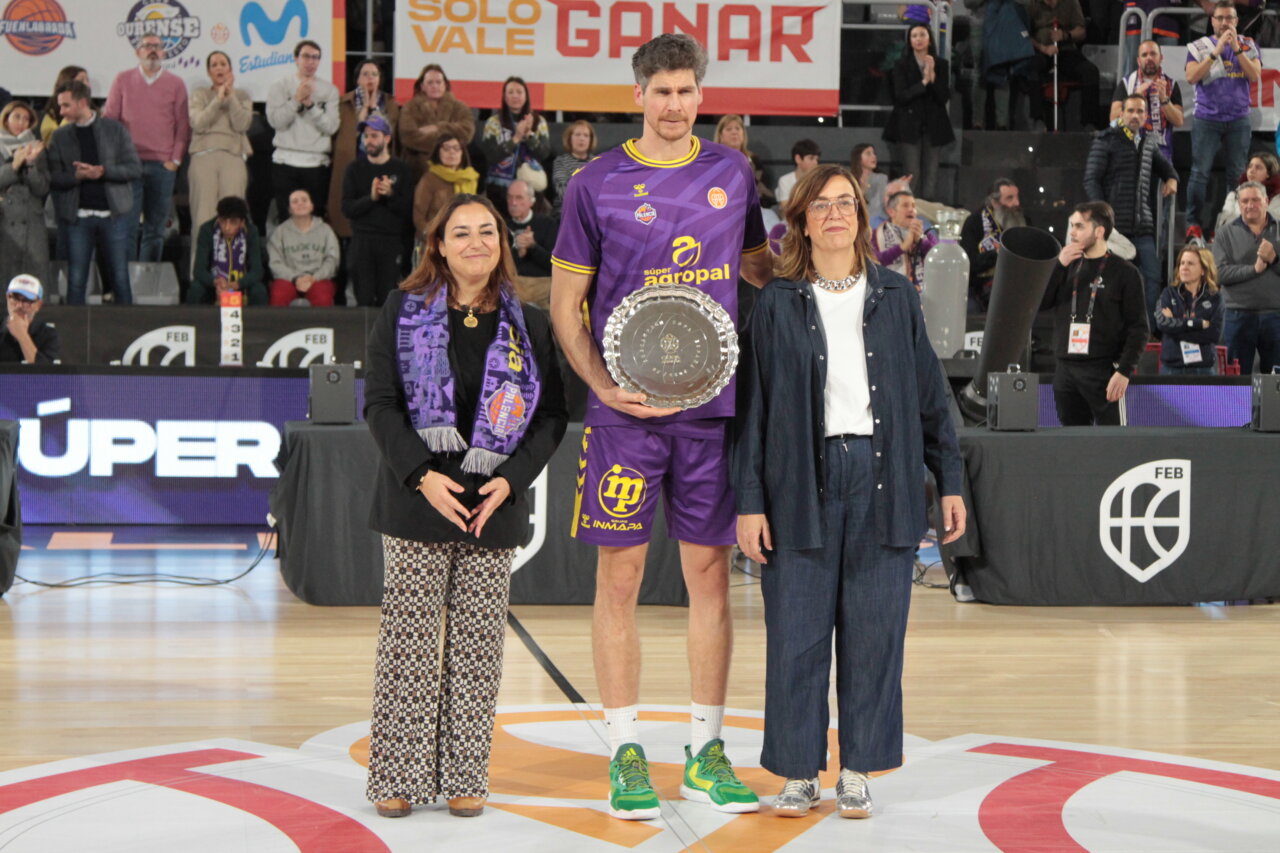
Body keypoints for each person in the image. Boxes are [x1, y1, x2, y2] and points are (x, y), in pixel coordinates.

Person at [550, 33, 773, 821]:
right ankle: (625, 751)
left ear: (700, 95)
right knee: (620, 579)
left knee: (711, 579)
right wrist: (607, 386)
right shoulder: (594, 183)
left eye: (687, 91)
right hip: (624, 416)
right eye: (662, 91)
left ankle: (707, 751)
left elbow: (757, 272)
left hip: (712, 412)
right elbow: (563, 307)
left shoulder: (733, 172)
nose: (675, 105)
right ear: (636, 95)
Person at [731, 163, 965, 820]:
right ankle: (799, 770)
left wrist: (950, 479)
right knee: (797, 633)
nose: (836, 214)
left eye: (847, 203)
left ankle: (858, 767)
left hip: (882, 477)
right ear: (801, 220)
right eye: (823, 205)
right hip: (798, 481)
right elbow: (755, 412)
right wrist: (749, 498)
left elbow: (930, 399)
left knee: (872, 633)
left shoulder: (895, 295)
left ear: (862, 217)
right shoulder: (776, 302)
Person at [363, 192, 566, 820]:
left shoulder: (529, 325)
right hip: (418, 499)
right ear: (439, 246)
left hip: (492, 503)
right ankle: (396, 776)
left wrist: (512, 481)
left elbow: (554, 415)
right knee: (411, 643)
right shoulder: (402, 310)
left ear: (502, 243)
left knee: (478, 647)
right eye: (462, 233)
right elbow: (379, 404)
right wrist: (422, 475)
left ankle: (465, 775)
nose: (476, 242)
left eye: (488, 231)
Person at [1041, 202, 1148, 426]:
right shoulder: (1065, 266)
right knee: (1071, 441)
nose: (1072, 232)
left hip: (1103, 370)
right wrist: (1058, 266)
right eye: (1071, 225)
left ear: (1099, 231)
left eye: (1079, 226)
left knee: (1111, 443)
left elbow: (1139, 329)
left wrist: (1124, 371)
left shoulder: (1126, 273)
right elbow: (1040, 304)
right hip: (1065, 369)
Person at [1083, 95, 1179, 319]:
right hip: (1114, 228)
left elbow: (1167, 168)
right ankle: (1113, 329)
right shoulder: (1106, 140)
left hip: (1142, 226)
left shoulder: (1147, 142)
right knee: (1111, 281)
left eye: (1140, 112)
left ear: (1146, 116)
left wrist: (1172, 179)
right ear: (1121, 114)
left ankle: (1146, 330)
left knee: (1153, 276)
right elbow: (1091, 180)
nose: (1135, 116)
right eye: (1131, 111)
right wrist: (1103, 218)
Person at [47, 80, 141, 305]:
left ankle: (128, 331)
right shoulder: (60, 137)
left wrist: (103, 171)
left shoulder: (114, 130)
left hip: (113, 216)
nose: (61, 111)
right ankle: (74, 334)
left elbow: (134, 168)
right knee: (77, 280)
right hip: (77, 218)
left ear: (82, 103)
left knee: (120, 278)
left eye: (66, 105)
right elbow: (53, 177)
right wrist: (75, 176)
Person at [104, 32, 190, 263]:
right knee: (127, 230)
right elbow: (110, 121)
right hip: (129, 165)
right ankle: (126, 288)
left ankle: (147, 286)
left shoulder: (176, 84)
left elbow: (183, 125)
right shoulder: (122, 80)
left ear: (164, 52)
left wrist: (176, 161)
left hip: (163, 166)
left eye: (157, 46)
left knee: (155, 231)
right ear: (137, 52)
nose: (152, 50)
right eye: (147, 46)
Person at [1184, 1, 1261, 244]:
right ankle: (1193, 224)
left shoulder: (1248, 45)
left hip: (1238, 119)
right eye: (1220, 18)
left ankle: (1228, 223)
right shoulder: (1199, 46)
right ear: (1212, 21)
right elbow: (1192, 77)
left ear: (1237, 21)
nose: (1224, 22)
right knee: (1199, 173)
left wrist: (1236, 49)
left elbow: (1255, 76)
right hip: (1207, 119)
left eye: (1229, 18)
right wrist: (1216, 52)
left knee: (1237, 175)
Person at [342, 115, 413, 307]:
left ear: (387, 138)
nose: (369, 141)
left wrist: (390, 194)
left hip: (391, 242)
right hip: (362, 241)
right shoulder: (354, 169)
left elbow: (408, 210)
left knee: (388, 300)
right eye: (366, 136)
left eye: (374, 136)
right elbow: (347, 209)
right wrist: (371, 199)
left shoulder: (401, 170)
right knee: (363, 299)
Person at [266, 40, 340, 223]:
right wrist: (295, 101)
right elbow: (276, 122)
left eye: (316, 58)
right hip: (285, 161)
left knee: (314, 220)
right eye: (306, 56)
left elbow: (331, 127)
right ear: (296, 58)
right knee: (286, 219)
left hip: (316, 164)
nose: (311, 61)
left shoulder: (329, 90)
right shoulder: (280, 85)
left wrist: (311, 106)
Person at [328, 59, 401, 241]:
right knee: (350, 210)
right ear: (357, 79)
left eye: (374, 74)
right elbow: (340, 133)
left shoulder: (389, 103)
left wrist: (373, 109)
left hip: (380, 165)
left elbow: (389, 132)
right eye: (365, 74)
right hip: (351, 164)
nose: (370, 78)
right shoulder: (343, 102)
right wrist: (362, 113)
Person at [1212, 181, 1280, 373]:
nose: (1250, 205)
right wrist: (1254, 269)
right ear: (1239, 204)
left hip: (1276, 315)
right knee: (1236, 383)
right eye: (1245, 201)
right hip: (1237, 316)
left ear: (1266, 201)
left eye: (1256, 200)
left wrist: (1274, 259)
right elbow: (1219, 274)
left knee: (1276, 384)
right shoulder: (1225, 233)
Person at [188, 51, 253, 247]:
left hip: (233, 156)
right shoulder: (200, 94)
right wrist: (218, 98)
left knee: (232, 217)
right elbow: (198, 123)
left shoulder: (242, 95)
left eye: (223, 64)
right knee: (203, 218)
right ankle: (198, 275)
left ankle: (232, 272)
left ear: (230, 70)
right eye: (214, 65)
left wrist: (230, 96)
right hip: (203, 156)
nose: (219, 68)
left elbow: (242, 124)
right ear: (209, 72)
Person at [884, 24, 955, 201]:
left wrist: (933, 78)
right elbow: (901, 96)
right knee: (912, 172)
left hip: (934, 125)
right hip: (909, 126)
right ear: (909, 40)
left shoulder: (941, 64)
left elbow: (943, 97)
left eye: (922, 35)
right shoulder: (901, 65)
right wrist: (923, 83)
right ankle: (906, 212)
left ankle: (926, 221)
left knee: (931, 175)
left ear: (929, 39)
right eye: (914, 36)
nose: (918, 39)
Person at [1027, 0, 1101, 130]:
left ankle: (1089, 124)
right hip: (1041, 50)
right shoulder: (1032, 4)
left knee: (1090, 71)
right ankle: (1037, 119)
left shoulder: (1071, 2)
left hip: (1066, 50)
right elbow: (1025, 34)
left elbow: (1081, 31)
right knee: (1031, 68)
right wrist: (1043, 48)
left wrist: (1065, 35)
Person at [0, 101, 51, 290]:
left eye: (26, 119)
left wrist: (30, 165)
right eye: (17, 117)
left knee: (32, 279)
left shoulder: (37, 149)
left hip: (31, 223)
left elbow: (42, 188)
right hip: (4, 220)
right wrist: (13, 166)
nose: (21, 122)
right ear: (6, 119)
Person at [480, 77, 550, 214]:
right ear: (504, 96)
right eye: (510, 92)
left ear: (526, 96)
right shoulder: (493, 122)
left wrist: (529, 135)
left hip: (530, 186)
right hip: (499, 187)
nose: (515, 96)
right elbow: (491, 156)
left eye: (519, 92)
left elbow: (544, 153)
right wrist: (516, 138)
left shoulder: (538, 121)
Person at [398, 64, 474, 186]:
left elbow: (466, 133)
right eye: (430, 82)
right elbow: (409, 137)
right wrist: (449, 141)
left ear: (445, 85)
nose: (435, 86)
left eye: (439, 82)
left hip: (454, 173)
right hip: (418, 173)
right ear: (422, 86)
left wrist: (439, 127)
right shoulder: (410, 107)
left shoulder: (460, 107)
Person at [1110, 39, 1184, 165]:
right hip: (1131, 150)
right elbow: (1113, 119)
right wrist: (1136, 96)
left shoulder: (1171, 84)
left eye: (1153, 54)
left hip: (1162, 153)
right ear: (1138, 60)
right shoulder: (1127, 83)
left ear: (1161, 58)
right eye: (1144, 55)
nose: (1149, 58)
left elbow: (1179, 121)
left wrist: (1164, 100)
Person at [1155, 246, 1224, 374]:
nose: (1184, 267)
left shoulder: (1215, 297)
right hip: (1171, 368)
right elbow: (1162, 324)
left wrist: (1175, 328)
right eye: (1182, 263)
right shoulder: (1168, 294)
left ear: (1203, 270)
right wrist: (1196, 324)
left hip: (1203, 369)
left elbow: (1214, 334)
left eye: (1190, 263)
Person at [960, 178, 1026, 311]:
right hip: (981, 286)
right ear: (995, 202)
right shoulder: (974, 222)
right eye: (1009, 198)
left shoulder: (1024, 220)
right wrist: (997, 254)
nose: (1016, 203)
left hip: (1016, 284)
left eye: (1017, 197)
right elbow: (968, 263)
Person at [187, 196, 266, 305]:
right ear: (219, 219)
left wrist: (236, 284)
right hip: (214, 284)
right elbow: (199, 270)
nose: (227, 227)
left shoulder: (251, 232)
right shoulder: (207, 230)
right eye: (223, 221)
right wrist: (215, 282)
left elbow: (257, 271)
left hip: (242, 284)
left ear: (242, 222)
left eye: (233, 222)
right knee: (196, 289)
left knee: (259, 291)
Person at [267, 189, 340, 306]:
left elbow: (332, 260)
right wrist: (295, 278)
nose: (300, 203)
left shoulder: (326, 230)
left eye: (304, 200)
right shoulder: (280, 232)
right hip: (289, 278)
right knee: (278, 295)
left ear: (311, 206)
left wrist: (314, 278)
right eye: (295, 201)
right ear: (290, 209)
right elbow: (275, 263)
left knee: (323, 297)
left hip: (318, 278)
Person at [413, 134, 479, 239]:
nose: (452, 152)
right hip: (435, 239)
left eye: (456, 148)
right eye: (446, 148)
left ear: (463, 153)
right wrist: (434, 237)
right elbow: (419, 216)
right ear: (438, 152)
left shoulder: (470, 178)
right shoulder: (429, 179)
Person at [505, 179, 557, 308]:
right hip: (512, 289)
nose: (513, 202)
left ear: (531, 201)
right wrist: (518, 251)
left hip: (542, 289)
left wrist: (533, 246)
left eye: (519, 198)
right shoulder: (502, 226)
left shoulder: (547, 224)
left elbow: (555, 265)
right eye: (510, 197)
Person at [873, 190, 938, 291]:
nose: (911, 209)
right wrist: (903, 247)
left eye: (913, 206)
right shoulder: (876, 235)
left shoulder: (927, 235)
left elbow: (938, 260)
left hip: (925, 293)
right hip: (891, 293)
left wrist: (921, 241)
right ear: (891, 212)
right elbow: (875, 264)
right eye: (905, 205)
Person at [714, 114, 774, 208]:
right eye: (729, 129)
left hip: (754, 208)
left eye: (737, 129)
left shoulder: (754, 161)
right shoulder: (713, 160)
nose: (734, 132)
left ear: (743, 134)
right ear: (720, 135)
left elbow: (763, 191)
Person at [1216, 152, 1280, 234]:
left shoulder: (1277, 196)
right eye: (1250, 167)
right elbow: (1223, 223)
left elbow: (1272, 224)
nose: (1252, 171)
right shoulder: (1234, 195)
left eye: (1258, 168)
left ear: (1268, 173)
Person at [2, 274, 60, 363]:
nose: (19, 306)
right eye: (15, 298)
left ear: (38, 305)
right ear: (7, 298)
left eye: (27, 300)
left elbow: (46, 373)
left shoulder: (47, 334)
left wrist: (22, 336)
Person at [849, 144, 910, 224]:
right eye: (868, 153)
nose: (874, 157)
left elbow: (879, 205)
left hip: (875, 219)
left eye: (874, 153)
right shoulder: (850, 179)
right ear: (858, 157)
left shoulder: (881, 178)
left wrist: (896, 187)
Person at [552, 119, 596, 216]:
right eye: (577, 135)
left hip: (592, 212)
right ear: (569, 138)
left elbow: (600, 189)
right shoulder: (560, 161)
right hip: (567, 212)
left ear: (591, 140)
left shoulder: (597, 162)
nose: (581, 139)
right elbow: (562, 190)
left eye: (586, 135)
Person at [40, 66, 87, 145]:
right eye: (82, 80)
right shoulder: (53, 114)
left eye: (87, 80)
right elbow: (51, 142)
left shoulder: (93, 110)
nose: (86, 84)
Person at [775, 138, 820, 205]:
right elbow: (786, 208)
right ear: (798, 159)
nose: (815, 163)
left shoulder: (820, 180)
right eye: (811, 158)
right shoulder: (785, 181)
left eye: (817, 159)